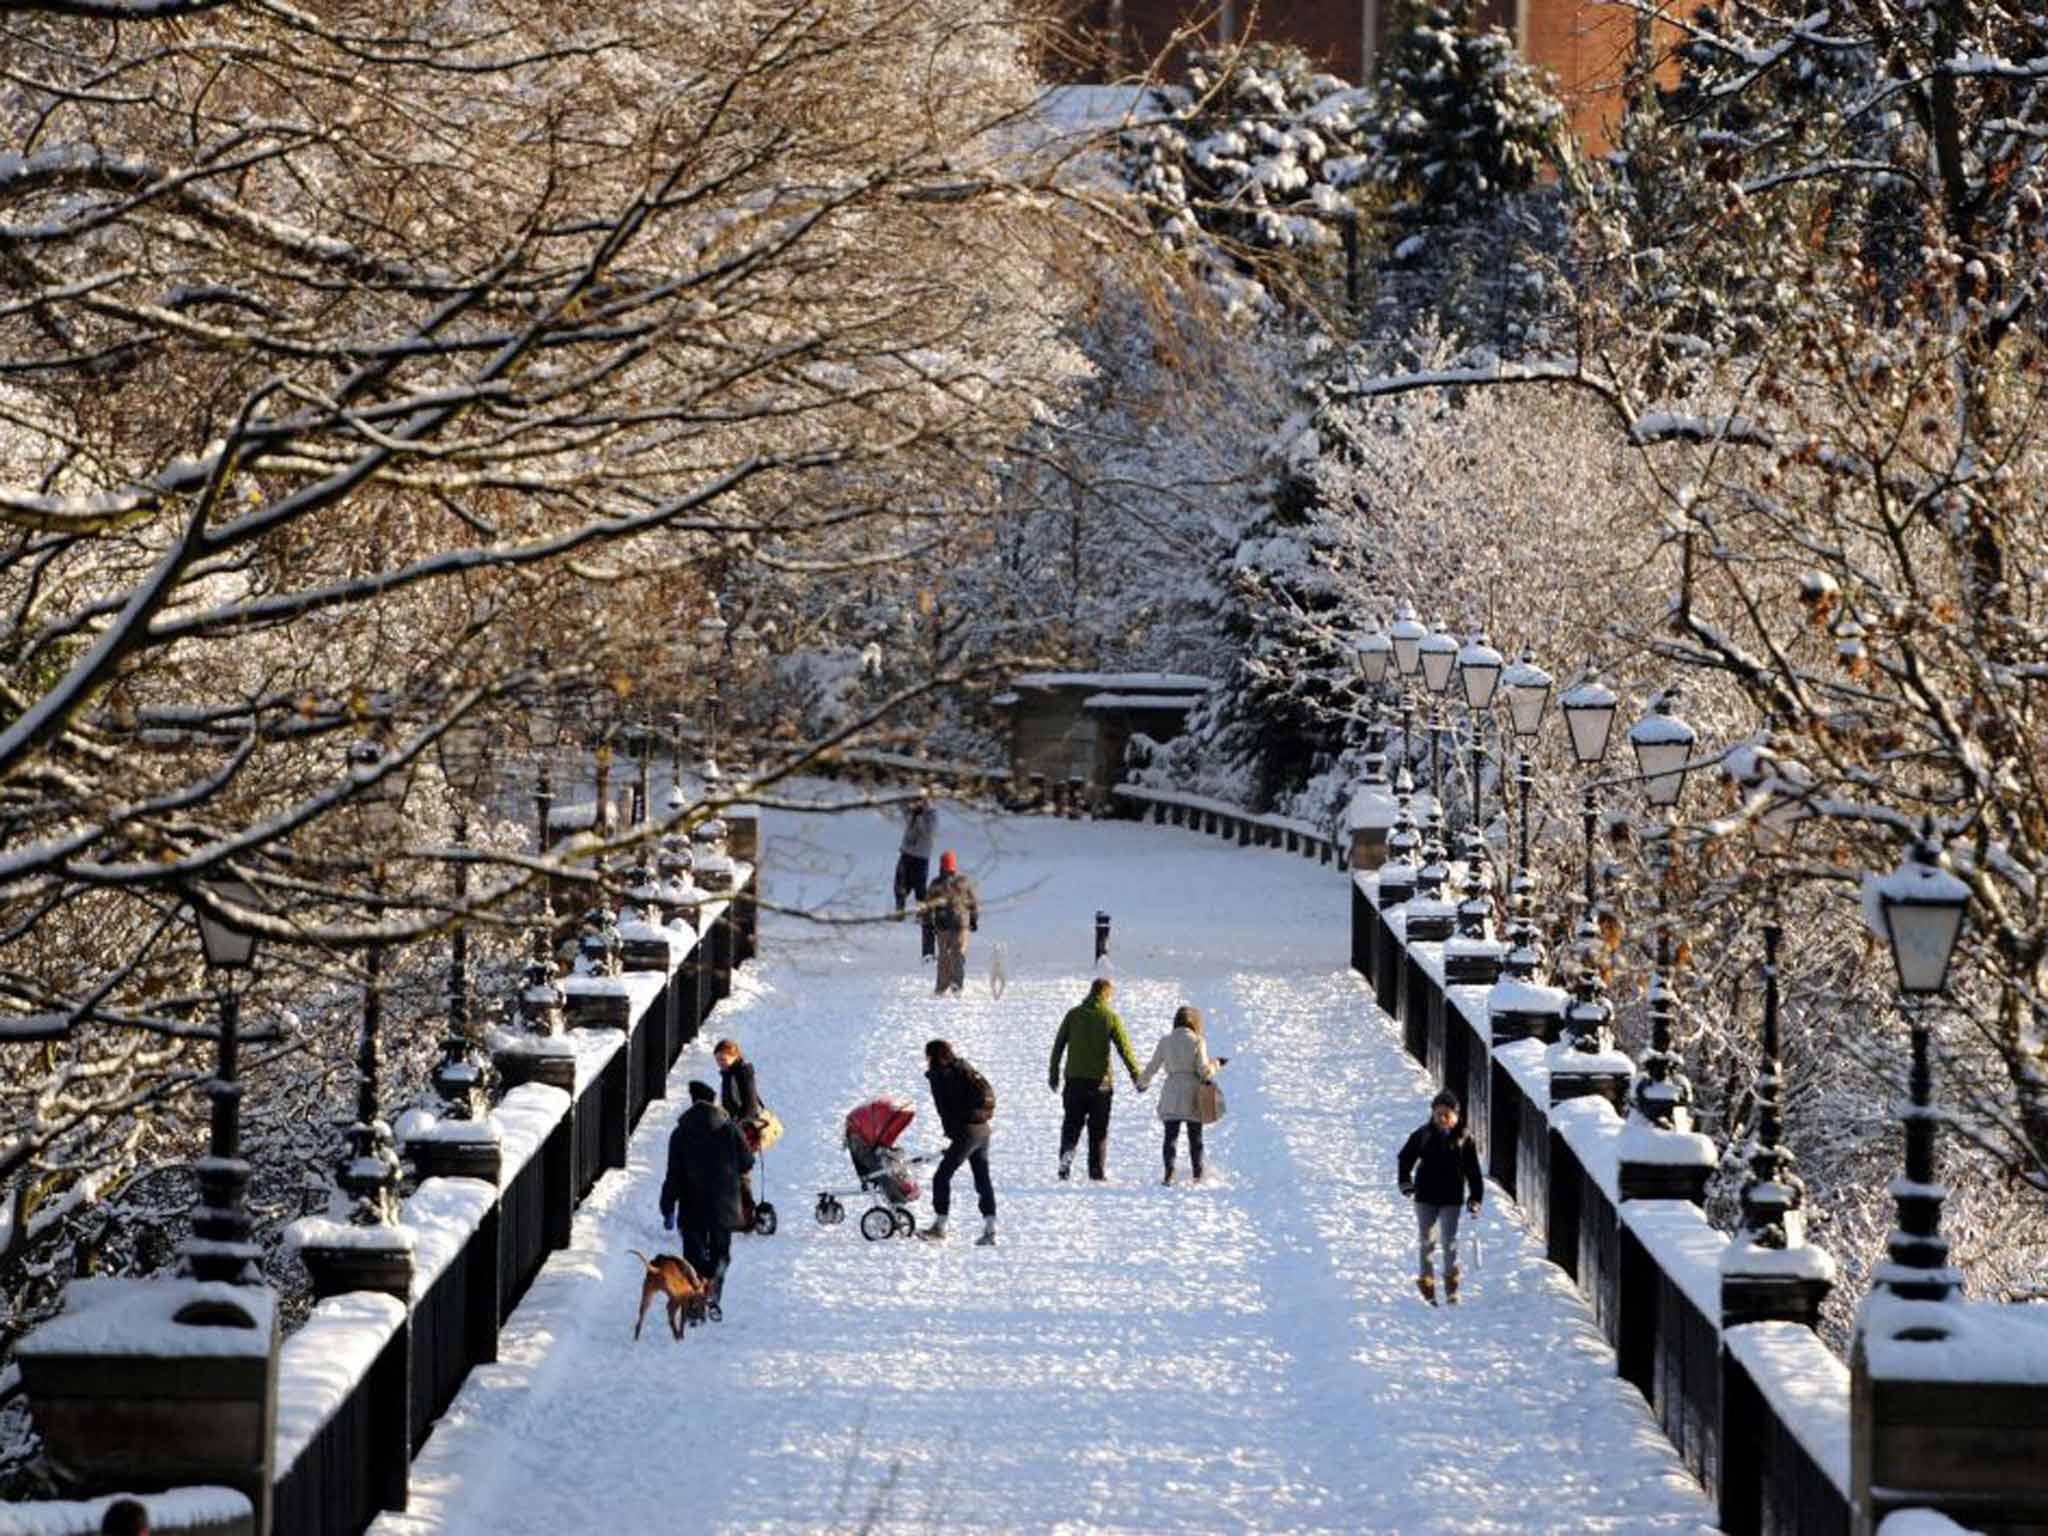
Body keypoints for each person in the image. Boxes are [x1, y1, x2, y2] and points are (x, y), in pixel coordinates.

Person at [659, 1080, 754, 1318]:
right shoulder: (730, 1128)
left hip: (692, 1207)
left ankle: (694, 1304)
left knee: (693, 1257)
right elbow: (747, 1162)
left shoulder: (681, 1133)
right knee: (721, 1252)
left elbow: (674, 1174)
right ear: (713, 1102)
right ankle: (714, 1283)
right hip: (725, 1205)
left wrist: (668, 1206)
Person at [1048, 976, 1143, 1181]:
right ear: (1106, 995)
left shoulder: (1073, 1015)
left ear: (1090, 992)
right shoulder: (1110, 1017)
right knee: (1098, 1129)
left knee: (1072, 1125)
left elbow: (1058, 1046)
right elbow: (1124, 1049)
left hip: (1074, 1082)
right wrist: (1136, 1076)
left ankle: (1065, 1163)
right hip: (1101, 1084)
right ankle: (1096, 1172)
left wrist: (1053, 1073)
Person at [1396, 1088, 1484, 1304]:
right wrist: (1405, 1183)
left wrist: (1475, 1198)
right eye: (1438, 1114)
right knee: (1427, 1241)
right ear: (1432, 1114)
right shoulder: (1423, 1135)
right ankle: (1426, 1284)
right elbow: (1405, 1158)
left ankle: (1451, 1287)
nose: (1443, 1118)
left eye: (1447, 1114)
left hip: (1452, 1198)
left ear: (1456, 1115)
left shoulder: (1465, 1139)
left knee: (1449, 1241)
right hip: (1425, 1196)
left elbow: (1473, 1172)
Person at [1135, 1004, 1227, 1185]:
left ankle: (1169, 1173)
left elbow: (1153, 1066)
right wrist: (1216, 1064)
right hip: (1193, 1095)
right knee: (1196, 1138)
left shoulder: (1165, 1041)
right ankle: (1197, 1174)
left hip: (1171, 1092)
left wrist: (1142, 1083)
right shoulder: (1198, 1041)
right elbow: (1203, 1071)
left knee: (1170, 1137)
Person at [919, 1038, 998, 1245]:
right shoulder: (964, 1066)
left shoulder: (942, 1075)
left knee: (941, 1177)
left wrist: (958, 1133)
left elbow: (947, 1106)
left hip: (967, 1133)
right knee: (982, 1179)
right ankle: (990, 1229)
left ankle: (939, 1226)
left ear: (933, 1056)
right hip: (982, 1130)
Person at [714, 1037, 767, 1227]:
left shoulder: (741, 1073)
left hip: (743, 1131)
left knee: (739, 1173)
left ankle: (746, 1217)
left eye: (723, 1058)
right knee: (734, 1172)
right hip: (735, 1129)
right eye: (718, 1059)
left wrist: (735, 1124)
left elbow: (750, 1106)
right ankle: (740, 1215)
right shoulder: (730, 1074)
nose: (720, 1062)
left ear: (734, 1055)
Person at [924, 849, 979, 996]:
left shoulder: (935, 884)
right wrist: (974, 920)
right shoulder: (963, 882)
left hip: (943, 926)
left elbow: (927, 907)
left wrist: (929, 922)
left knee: (944, 956)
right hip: (961, 925)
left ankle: (941, 987)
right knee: (958, 955)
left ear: (941, 866)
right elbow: (973, 903)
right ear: (954, 866)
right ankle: (957, 986)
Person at [895, 788, 939, 961]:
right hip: (906, 853)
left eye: (922, 800)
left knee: (921, 889)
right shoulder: (913, 811)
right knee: (899, 884)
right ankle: (900, 910)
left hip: (921, 857)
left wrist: (922, 814)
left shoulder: (932, 816)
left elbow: (928, 832)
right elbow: (901, 808)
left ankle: (921, 914)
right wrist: (906, 799)